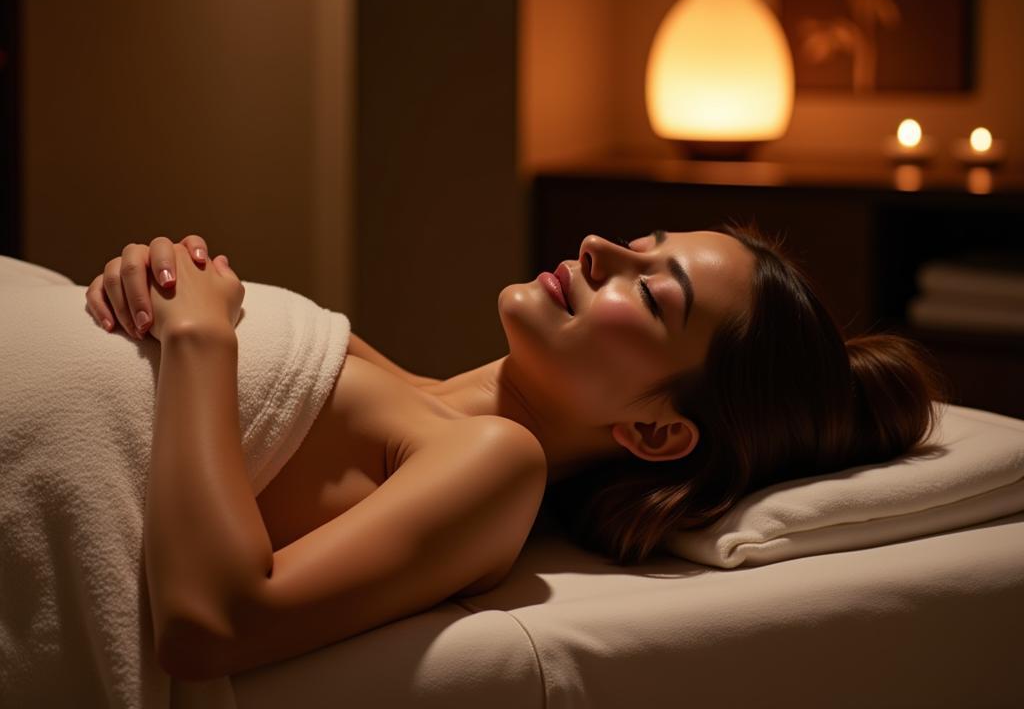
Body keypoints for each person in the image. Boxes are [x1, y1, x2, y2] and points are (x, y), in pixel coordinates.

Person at [82, 220, 949, 681]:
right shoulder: (385, 374)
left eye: (650, 294)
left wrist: (198, 337)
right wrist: (147, 280)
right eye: (641, 243)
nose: (598, 247)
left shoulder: (498, 463)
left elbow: (212, 626)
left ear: (655, 432)